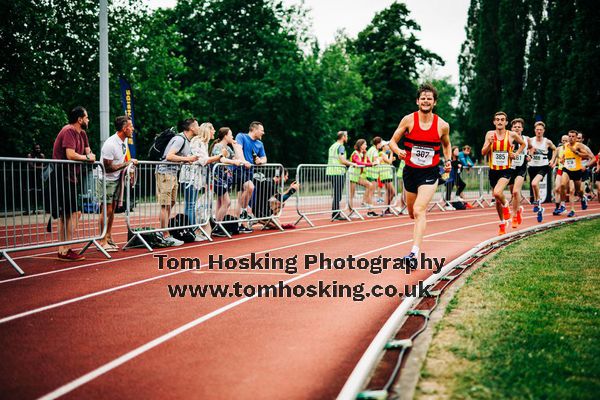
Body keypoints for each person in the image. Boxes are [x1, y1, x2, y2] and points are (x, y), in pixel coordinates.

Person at [388, 83, 452, 261]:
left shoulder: (442, 125)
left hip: (430, 173)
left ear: (434, 102)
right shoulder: (408, 120)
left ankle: (414, 253)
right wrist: (398, 151)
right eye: (423, 98)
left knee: (419, 209)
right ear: (417, 101)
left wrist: (448, 160)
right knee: (411, 212)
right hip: (410, 172)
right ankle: (416, 238)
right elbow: (392, 141)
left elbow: (446, 144)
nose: (426, 101)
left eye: (429, 99)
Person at [52, 106, 96, 261]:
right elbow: (70, 155)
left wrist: (89, 156)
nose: (88, 120)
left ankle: (63, 249)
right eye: (87, 117)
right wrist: (87, 158)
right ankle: (66, 248)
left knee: (66, 214)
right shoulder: (69, 130)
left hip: (72, 177)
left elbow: (89, 152)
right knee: (75, 212)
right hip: (62, 176)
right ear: (80, 119)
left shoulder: (82, 133)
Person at [155, 118, 200, 246]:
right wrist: (187, 159)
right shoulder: (180, 139)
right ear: (191, 128)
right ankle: (165, 234)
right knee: (166, 204)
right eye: (197, 126)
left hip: (173, 174)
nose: (199, 128)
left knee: (170, 203)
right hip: (165, 173)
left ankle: (163, 231)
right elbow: (169, 156)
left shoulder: (187, 140)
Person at [481, 111, 526, 235]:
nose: (500, 121)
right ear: (494, 122)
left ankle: (506, 204)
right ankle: (502, 223)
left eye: (502, 119)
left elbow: (523, 144)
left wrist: (516, 154)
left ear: (506, 122)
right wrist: (489, 143)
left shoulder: (511, 135)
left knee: (497, 192)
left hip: (506, 170)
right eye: (497, 119)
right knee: (497, 199)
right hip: (493, 170)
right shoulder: (490, 134)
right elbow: (483, 152)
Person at [97, 115, 138, 252]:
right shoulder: (110, 144)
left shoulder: (123, 141)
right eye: (130, 126)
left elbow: (121, 161)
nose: (132, 129)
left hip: (116, 178)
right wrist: (127, 164)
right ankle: (102, 240)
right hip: (105, 179)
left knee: (112, 209)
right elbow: (107, 167)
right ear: (124, 128)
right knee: (106, 209)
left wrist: (129, 167)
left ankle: (108, 236)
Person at [179, 122, 220, 241]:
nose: (214, 132)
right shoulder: (197, 141)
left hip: (196, 177)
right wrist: (219, 156)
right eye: (213, 130)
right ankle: (192, 231)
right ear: (208, 130)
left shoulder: (204, 143)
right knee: (190, 204)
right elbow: (203, 161)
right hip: (190, 176)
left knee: (191, 203)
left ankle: (192, 230)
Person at [210, 127, 249, 237]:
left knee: (220, 202)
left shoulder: (228, 147)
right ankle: (218, 226)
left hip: (226, 179)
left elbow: (237, 158)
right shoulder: (218, 147)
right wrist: (233, 162)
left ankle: (217, 225)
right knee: (227, 202)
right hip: (218, 178)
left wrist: (235, 146)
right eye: (231, 135)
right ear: (225, 136)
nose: (232, 137)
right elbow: (222, 159)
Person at [234, 121, 266, 230]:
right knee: (250, 187)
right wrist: (243, 161)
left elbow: (265, 158)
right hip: (239, 169)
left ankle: (240, 223)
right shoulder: (241, 136)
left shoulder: (259, 144)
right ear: (255, 129)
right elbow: (238, 149)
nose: (263, 133)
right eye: (262, 130)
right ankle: (243, 213)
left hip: (249, 172)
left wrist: (260, 161)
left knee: (241, 196)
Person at [557, 130, 594, 217]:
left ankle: (583, 198)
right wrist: (562, 159)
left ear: (576, 137)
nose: (571, 138)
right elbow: (564, 156)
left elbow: (587, 156)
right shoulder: (565, 145)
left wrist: (576, 152)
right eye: (569, 136)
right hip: (567, 169)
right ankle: (563, 205)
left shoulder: (579, 145)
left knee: (579, 191)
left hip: (577, 170)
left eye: (573, 136)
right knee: (563, 185)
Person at [527, 121, 557, 221]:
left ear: (543, 131)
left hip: (543, 166)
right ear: (534, 131)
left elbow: (555, 149)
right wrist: (529, 155)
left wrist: (552, 160)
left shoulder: (547, 141)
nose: (539, 131)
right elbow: (527, 150)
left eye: (540, 130)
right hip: (532, 166)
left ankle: (537, 202)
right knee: (534, 185)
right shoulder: (530, 140)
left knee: (534, 183)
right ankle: (539, 208)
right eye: (537, 130)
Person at [326, 131, 354, 220]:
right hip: (338, 172)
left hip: (331, 171)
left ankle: (335, 213)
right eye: (347, 136)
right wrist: (352, 163)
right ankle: (335, 214)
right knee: (338, 194)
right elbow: (342, 160)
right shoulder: (341, 147)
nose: (347, 137)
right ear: (343, 137)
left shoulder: (332, 146)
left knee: (336, 194)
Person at [507, 118, 528, 228]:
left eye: (519, 127)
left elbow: (533, 149)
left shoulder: (526, 139)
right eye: (515, 127)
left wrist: (529, 155)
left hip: (521, 168)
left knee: (516, 191)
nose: (517, 128)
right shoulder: (508, 139)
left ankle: (514, 216)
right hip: (510, 168)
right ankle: (518, 209)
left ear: (522, 129)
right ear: (511, 128)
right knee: (512, 193)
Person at [349, 139, 377, 217]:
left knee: (370, 185)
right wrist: (371, 164)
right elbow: (358, 162)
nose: (366, 146)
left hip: (358, 176)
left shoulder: (364, 153)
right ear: (361, 145)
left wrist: (374, 162)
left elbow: (368, 161)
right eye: (365, 144)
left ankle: (364, 202)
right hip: (352, 175)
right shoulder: (355, 153)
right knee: (351, 194)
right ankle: (350, 212)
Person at [25, 143, 46, 214]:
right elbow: (31, 166)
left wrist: (40, 168)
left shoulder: (42, 155)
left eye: (39, 148)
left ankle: (35, 210)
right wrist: (40, 167)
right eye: (36, 148)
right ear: (33, 148)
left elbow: (43, 165)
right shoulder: (30, 155)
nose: (38, 149)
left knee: (38, 193)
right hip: (30, 176)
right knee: (29, 192)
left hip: (38, 176)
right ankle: (28, 210)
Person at [378, 141, 397, 215]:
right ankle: (385, 208)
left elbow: (389, 161)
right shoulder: (381, 153)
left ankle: (387, 208)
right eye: (386, 145)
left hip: (387, 175)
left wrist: (391, 158)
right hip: (385, 175)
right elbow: (389, 162)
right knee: (393, 192)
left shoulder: (385, 154)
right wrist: (392, 153)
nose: (388, 146)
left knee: (389, 193)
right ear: (383, 147)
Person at [552, 135, 569, 214]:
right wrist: (552, 162)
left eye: (566, 140)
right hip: (560, 169)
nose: (564, 142)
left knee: (569, 189)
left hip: (569, 170)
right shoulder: (558, 149)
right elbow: (554, 157)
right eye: (563, 140)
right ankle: (557, 207)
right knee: (557, 189)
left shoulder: (571, 149)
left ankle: (563, 205)